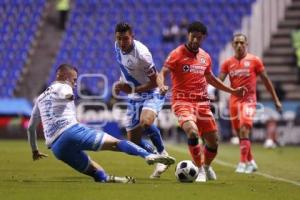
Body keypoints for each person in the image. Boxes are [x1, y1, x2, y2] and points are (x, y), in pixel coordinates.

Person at [27, 64, 175, 183]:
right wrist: (69, 96)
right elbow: (64, 92)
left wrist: (34, 150)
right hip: (71, 132)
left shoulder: (40, 98)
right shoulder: (63, 86)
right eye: (74, 80)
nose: (75, 84)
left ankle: (112, 179)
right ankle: (148, 155)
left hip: (57, 148)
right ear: (65, 76)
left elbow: (31, 128)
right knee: (117, 143)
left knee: (96, 172)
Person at [156, 21, 247, 182]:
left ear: (203, 37)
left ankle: (206, 166)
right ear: (188, 35)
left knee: (213, 142)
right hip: (182, 102)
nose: (195, 40)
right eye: (193, 37)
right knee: (192, 131)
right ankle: (199, 169)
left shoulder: (205, 57)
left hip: (203, 103)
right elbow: (162, 72)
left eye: (199, 38)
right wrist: (162, 84)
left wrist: (232, 91)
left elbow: (211, 78)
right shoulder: (177, 54)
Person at [113, 22, 172, 179]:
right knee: (134, 141)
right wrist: (121, 84)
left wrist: (131, 89)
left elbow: (154, 81)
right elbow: (124, 70)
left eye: (125, 39)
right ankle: (159, 157)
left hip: (151, 91)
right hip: (133, 94)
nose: (122, 42)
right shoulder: (116, 46)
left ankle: (161, 152)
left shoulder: (142, 54)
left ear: (133, 37)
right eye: (119, 38)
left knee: (145, 122)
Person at [219, 33, 282, 173]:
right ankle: (251, 161)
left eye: (242, 42)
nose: (239, 45)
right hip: (234, 101)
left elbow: (266, 81)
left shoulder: (255, 61)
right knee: (240, 133)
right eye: (236, 43)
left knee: (244, 129)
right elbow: (219, 82)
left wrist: (276, 99)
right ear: (233, 45)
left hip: (249, 100)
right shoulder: (227, 63)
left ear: (246, 44)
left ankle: (242, 163)